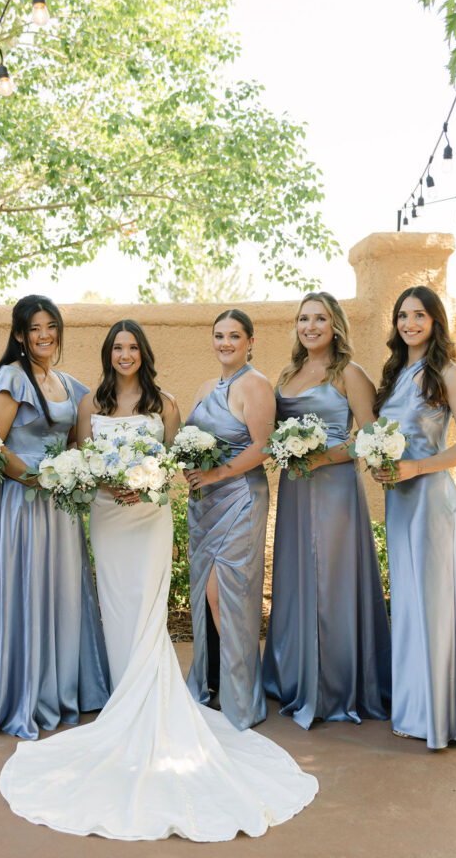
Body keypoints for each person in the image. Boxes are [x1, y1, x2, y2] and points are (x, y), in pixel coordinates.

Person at [0, 319, 318, 841]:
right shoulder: (90, 404)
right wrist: (108, 481)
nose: (125, 355)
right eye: (117, 348)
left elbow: (175, 460)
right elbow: (81, 457)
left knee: (146, 608)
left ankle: (151, 703)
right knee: (116, 608)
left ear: (144, 354)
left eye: (132, 348)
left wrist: (146, 486)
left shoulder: (166, 403)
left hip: (147, 519)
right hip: (106, 517)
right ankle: (125, 695)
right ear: (109, 355)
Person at [0, 296, 109, 739]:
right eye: (35, 328)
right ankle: (27, 693)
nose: (45, 334)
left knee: (64, 592)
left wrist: (72, 468)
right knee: (28, 589)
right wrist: (36, 477)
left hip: (61, 508)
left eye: (51, 325)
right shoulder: (10, 379)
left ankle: (67, 688)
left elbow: (75, 439)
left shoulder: (66, 383)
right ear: (19, 335)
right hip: (23, 504)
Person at [261, 292, 391, 729]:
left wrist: (321, 456)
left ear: (335, 325)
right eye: (303, 318)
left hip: (334, 490)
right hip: (296, 491)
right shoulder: (288, 373)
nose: (310, 326)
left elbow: (368, 437)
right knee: (296, 579)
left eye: (320, 318)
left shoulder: (349, 373)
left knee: (332, 580)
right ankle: (293, 675)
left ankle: (336, 686)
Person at [374, 286, 456, 748]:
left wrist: (417, 466)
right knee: (409, 604)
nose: (409, 323)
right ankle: (414, 708)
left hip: (432, 500)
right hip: (399, 500)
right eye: (403, 315)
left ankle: (439, 719)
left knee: (433, 606)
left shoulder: (449, 373)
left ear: (436, 321)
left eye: (419, 315)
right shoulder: (397, 372)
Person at [182, 309, 275, 729]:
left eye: (234, 336)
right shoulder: (206, 386)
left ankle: (241, 696)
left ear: (250, 341)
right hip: (204, 502)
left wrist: (215, 473)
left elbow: (262, 447)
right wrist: (189, 467)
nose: (225, 343)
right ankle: (214, 684)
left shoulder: (255, 385)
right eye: (219, 335)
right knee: (205, 596)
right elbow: (191, 439)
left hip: (239, 498)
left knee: (226, 596)